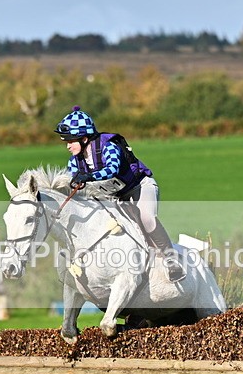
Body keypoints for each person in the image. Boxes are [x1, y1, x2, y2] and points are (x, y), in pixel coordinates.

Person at [54, 105, 185, 282]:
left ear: (84, 138)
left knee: (146, 219)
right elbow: (73, 179)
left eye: (70, 141)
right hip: (115, 196)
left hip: (140, 187)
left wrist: (89, 176)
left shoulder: (108, 146)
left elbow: (113, 169)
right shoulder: (74, 161)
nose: (68, 146)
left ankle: (172, 260)